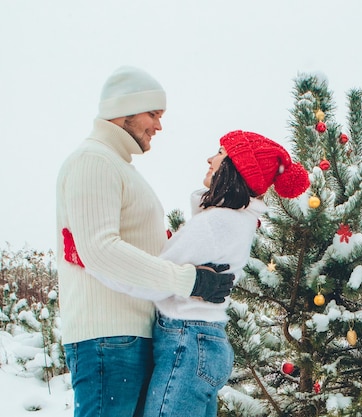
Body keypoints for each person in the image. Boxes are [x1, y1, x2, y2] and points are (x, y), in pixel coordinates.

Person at [56, 66, 236, 417]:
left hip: (130, 338)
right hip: (108, 340)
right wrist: (190, 280)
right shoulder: (93, 161)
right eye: (153, 114)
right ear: (124, 110)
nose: (159, 125)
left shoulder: (117, 167)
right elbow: (100, 250)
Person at [92, 130, 310, 416]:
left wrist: (94, 260)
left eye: (220, 152)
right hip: (202, 342)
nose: (210, 158)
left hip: (185, 341)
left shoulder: (216, 222)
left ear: (236, 167)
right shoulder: (234, 220)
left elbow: (152, 282)